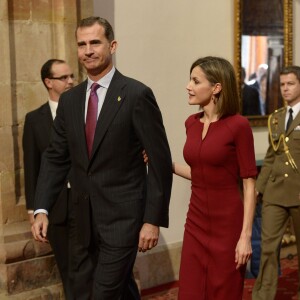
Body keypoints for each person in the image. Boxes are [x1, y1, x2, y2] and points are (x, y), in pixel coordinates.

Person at [31, 16, 173, 299]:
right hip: (82, 221)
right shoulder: (70, 101)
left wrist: (152, 220)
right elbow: (56, 157)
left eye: (95, 42)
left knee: (103, 294)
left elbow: (159, 162)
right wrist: (42, 208)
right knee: (110, 290)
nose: (88, 50)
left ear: (113, 45)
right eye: (82, 44)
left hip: (123, 219)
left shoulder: (136, 95)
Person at [174, 56, 257, 299]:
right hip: (196, 222)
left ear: (216, 88)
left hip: (228, 226)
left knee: (223, 292)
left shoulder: (238, 126)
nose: (188, 85)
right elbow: (202, 174)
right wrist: (166, 165)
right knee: (189, 292)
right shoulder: (191, 123)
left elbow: (249, 184)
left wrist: (245, 237)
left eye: (195, 80)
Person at [23, 59, 75, 299]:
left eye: (72, 76)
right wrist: (34, 210)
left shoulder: (83, 111)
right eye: (64, 78)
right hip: (56, 206)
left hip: (86, 200)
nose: (71, 81)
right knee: (67, 268)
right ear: (48, 82)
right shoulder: (35, 119)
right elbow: (32, 165)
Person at [252, 66, 300, 300]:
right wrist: (259, 189)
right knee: (268, 249)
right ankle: (263, 296)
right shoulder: (277, 117)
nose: (285, 89)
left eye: (290, 84)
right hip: (274, 193)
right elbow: (271, 157)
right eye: (282, 85)